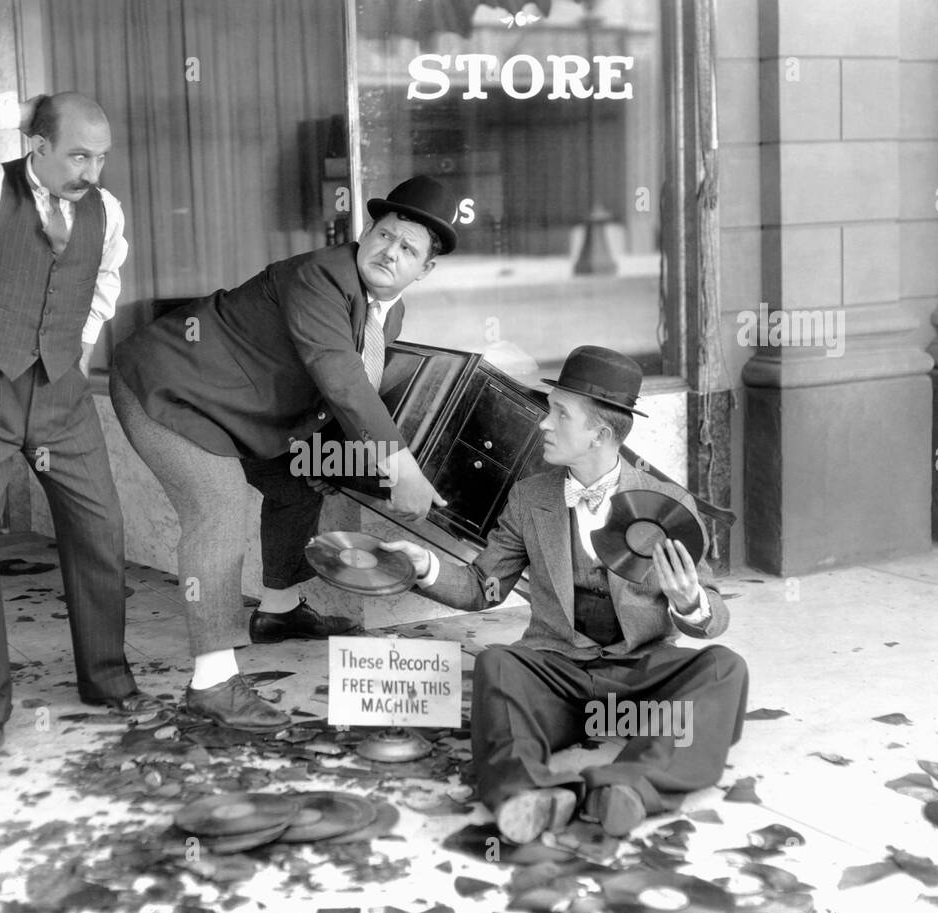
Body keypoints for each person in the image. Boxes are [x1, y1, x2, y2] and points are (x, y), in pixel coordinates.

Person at [110, 177, 457, 732]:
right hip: (167, 388)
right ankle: (213, 685)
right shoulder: (320, 275)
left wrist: (331, 457)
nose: (391, 251)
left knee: (299, 482)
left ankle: (277, 612)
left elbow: (336, 394)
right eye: (385, 234)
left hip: (238, 410)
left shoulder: (386, 313)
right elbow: (341, 378)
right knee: (218, 507)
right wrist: (401, 467)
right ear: (366, 232)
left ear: (426, 269)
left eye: (409, 248)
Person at [382, 346, 749, 842]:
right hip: (556, 678)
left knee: (724, 668)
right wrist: (425, 566)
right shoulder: (529, 496)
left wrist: (689, 603)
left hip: (639, 685)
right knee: (497, 665)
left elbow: (714, 613)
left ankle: (628, 788)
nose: (542, 425)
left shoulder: (669, 504)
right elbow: (482, 587)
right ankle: (522, 795)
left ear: (600, 433)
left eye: (559, 413)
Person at [0, 90, 159, 754]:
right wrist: (21, 112)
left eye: (102, 157)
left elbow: (107, 277)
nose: (92, 171)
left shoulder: (105, 209)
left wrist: (81, 342)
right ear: (38, 145)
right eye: (78, 154)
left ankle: (107, 678)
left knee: (101, 525)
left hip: (60, 394)